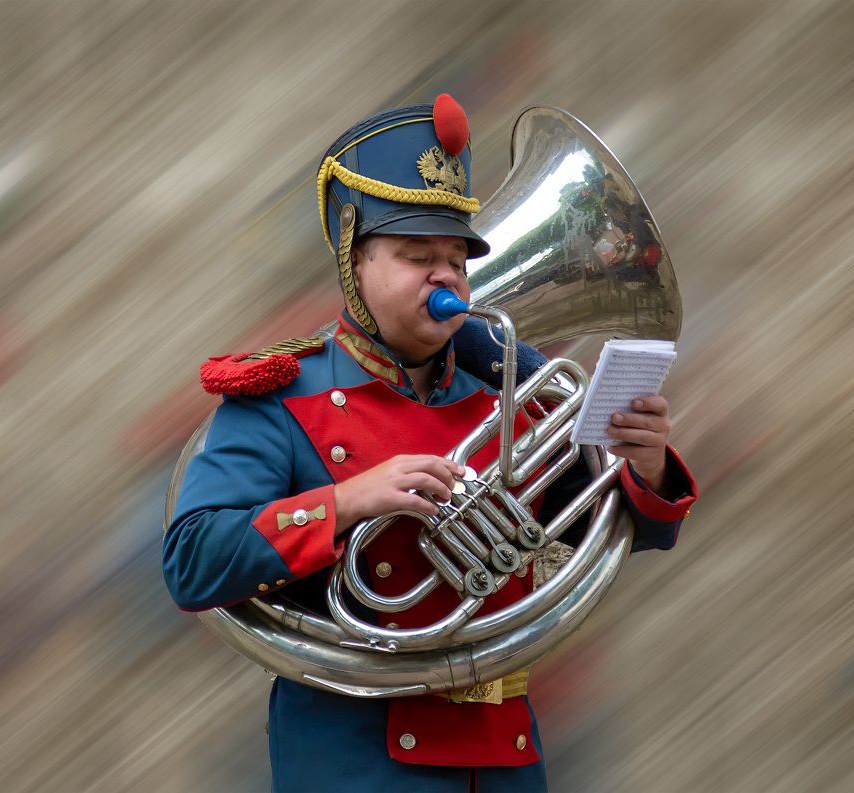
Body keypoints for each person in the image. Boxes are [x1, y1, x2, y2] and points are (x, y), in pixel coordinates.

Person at [163, 94, 698, 792]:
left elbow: (620, 527)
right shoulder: (279, 400)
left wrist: (644, 460)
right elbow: (192, 560)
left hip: (507, 762)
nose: (445, 275)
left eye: (457, 258)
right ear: (354, 262)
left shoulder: (510, 394)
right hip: (360, 769)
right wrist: (347, 500)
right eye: (418, 255)